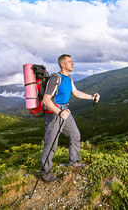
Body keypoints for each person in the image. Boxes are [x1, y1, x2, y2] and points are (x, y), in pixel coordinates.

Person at [39, 54, 100, 183]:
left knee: (75, 135)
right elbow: (46, 100)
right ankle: (45, 172)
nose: (72, 64)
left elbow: (76, 92)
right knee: (51, 143)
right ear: (62, 64)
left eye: (72, 61)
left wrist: (92, 97)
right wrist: (59, 112)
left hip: (65, 111)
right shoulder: (55, 79)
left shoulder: (69, 78)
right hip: (54, 114)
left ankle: (74, 161)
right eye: (70, 62)